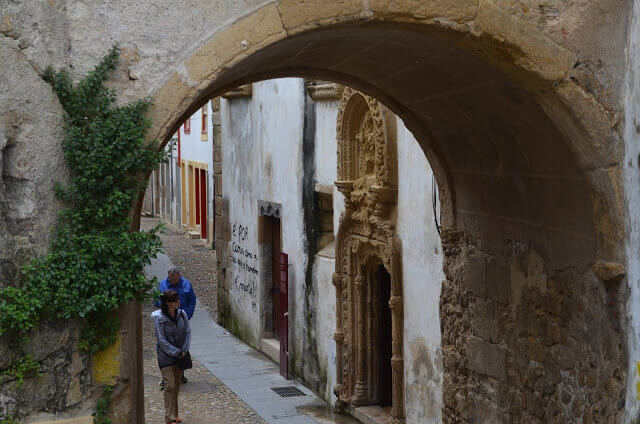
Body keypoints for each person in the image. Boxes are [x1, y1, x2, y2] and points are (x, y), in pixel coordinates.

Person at [154, 266, 196, 384]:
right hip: (167, 319)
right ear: (169, 277)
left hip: (181, 319)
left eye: (175, 279)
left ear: (179, 276)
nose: (174, 282)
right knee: (168, 346)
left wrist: (187, 315)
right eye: (172, 280)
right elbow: (156, 300)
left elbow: (192, 300)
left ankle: (180, 373)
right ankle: (166, 377)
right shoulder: (162, 285)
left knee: (181, 344)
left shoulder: (186, 284)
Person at [155, 290, 191, 424]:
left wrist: (184, 350)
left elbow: (188, 332)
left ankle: (174, 415)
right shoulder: (160, 319)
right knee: (169, 385)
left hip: (180, 357)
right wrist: (177, 351)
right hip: (166, 357)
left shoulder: (182, 315)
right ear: (169, 303)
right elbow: (161, 341)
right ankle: (168, 417)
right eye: (176, 300)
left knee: (176, 385)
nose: (179, 302)